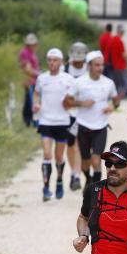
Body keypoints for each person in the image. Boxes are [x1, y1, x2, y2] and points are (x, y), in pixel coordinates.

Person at [65, 51, 121, 187]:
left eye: (102, 65)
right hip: (83, 126)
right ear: (89, 65)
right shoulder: (79, 82)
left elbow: (116, 100)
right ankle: (88, 179)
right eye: (97, 65)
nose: (100, 68)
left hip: (101, 127)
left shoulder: (108, 83)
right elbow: (67, 101)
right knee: (85, 162)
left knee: (96, 160)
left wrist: (112, 107)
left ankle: (95, 189)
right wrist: (81, 103)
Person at [32, 48, 74, 201]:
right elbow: (36, 93)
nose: (52, 62)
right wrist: (36, 104)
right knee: (47, 154)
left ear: (61, 62)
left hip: (62, 121)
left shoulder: (68, 79)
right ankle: (45, 187)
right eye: (49, 59)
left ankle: (59, 181)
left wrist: (71, 104)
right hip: (46, 121)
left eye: (55, 60)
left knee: (58, 157)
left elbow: (74, 97)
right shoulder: (42, 78)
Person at [65, 42, 89, 191]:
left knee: (78, 145)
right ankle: (74, 171)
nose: (78, 61)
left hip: (83, 112)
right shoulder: (65, 69)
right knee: (70, 145)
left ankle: (76, 175)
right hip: (67, 112)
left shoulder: (89, 69)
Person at [109, 24, 127, 98]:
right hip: (121, 66)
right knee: (125, 84)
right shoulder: (119, 41)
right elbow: (123, 55)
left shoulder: (113, 39)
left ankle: (115, 98)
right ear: (122, 32)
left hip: (114, 65)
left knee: (117, 84)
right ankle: (119, 98)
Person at [19, 33, 39, 127]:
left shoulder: (32, 52)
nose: (35, 46)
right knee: (30, 102)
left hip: (34, 80)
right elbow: (27, 69)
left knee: (30, 101)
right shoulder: (25, 52)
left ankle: (29, 121)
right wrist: (39, 74)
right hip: (29, 80)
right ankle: (29, 121)